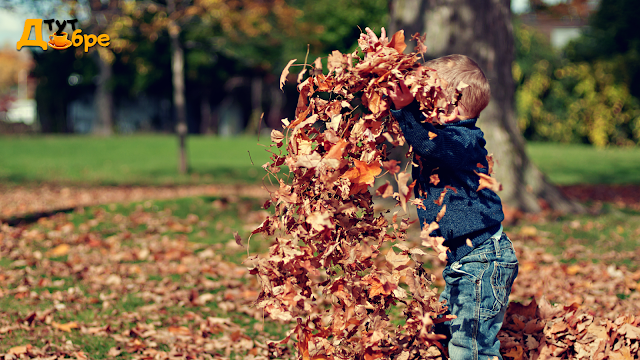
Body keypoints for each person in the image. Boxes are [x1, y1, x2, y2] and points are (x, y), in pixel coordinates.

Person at [362, 28, 519, 359]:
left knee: (471, 348)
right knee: (446, 330)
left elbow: (430, 145)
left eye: (426, 98)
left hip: (483, 260)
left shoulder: (463, 141)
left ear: (452, 104)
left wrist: (405, 112)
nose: (419, 104)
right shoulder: (446, 136)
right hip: (464, 260)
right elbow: (427, 138)